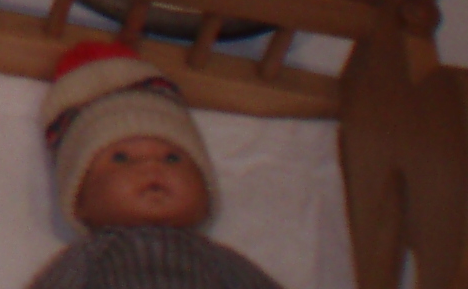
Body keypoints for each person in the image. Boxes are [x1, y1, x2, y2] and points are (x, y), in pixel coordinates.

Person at [23, 43, 279, 289]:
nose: (152, 166)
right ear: (80, 202)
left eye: (172, 158)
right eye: (121, 159)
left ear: (206, 197)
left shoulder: (218, 260)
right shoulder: (88, 258)